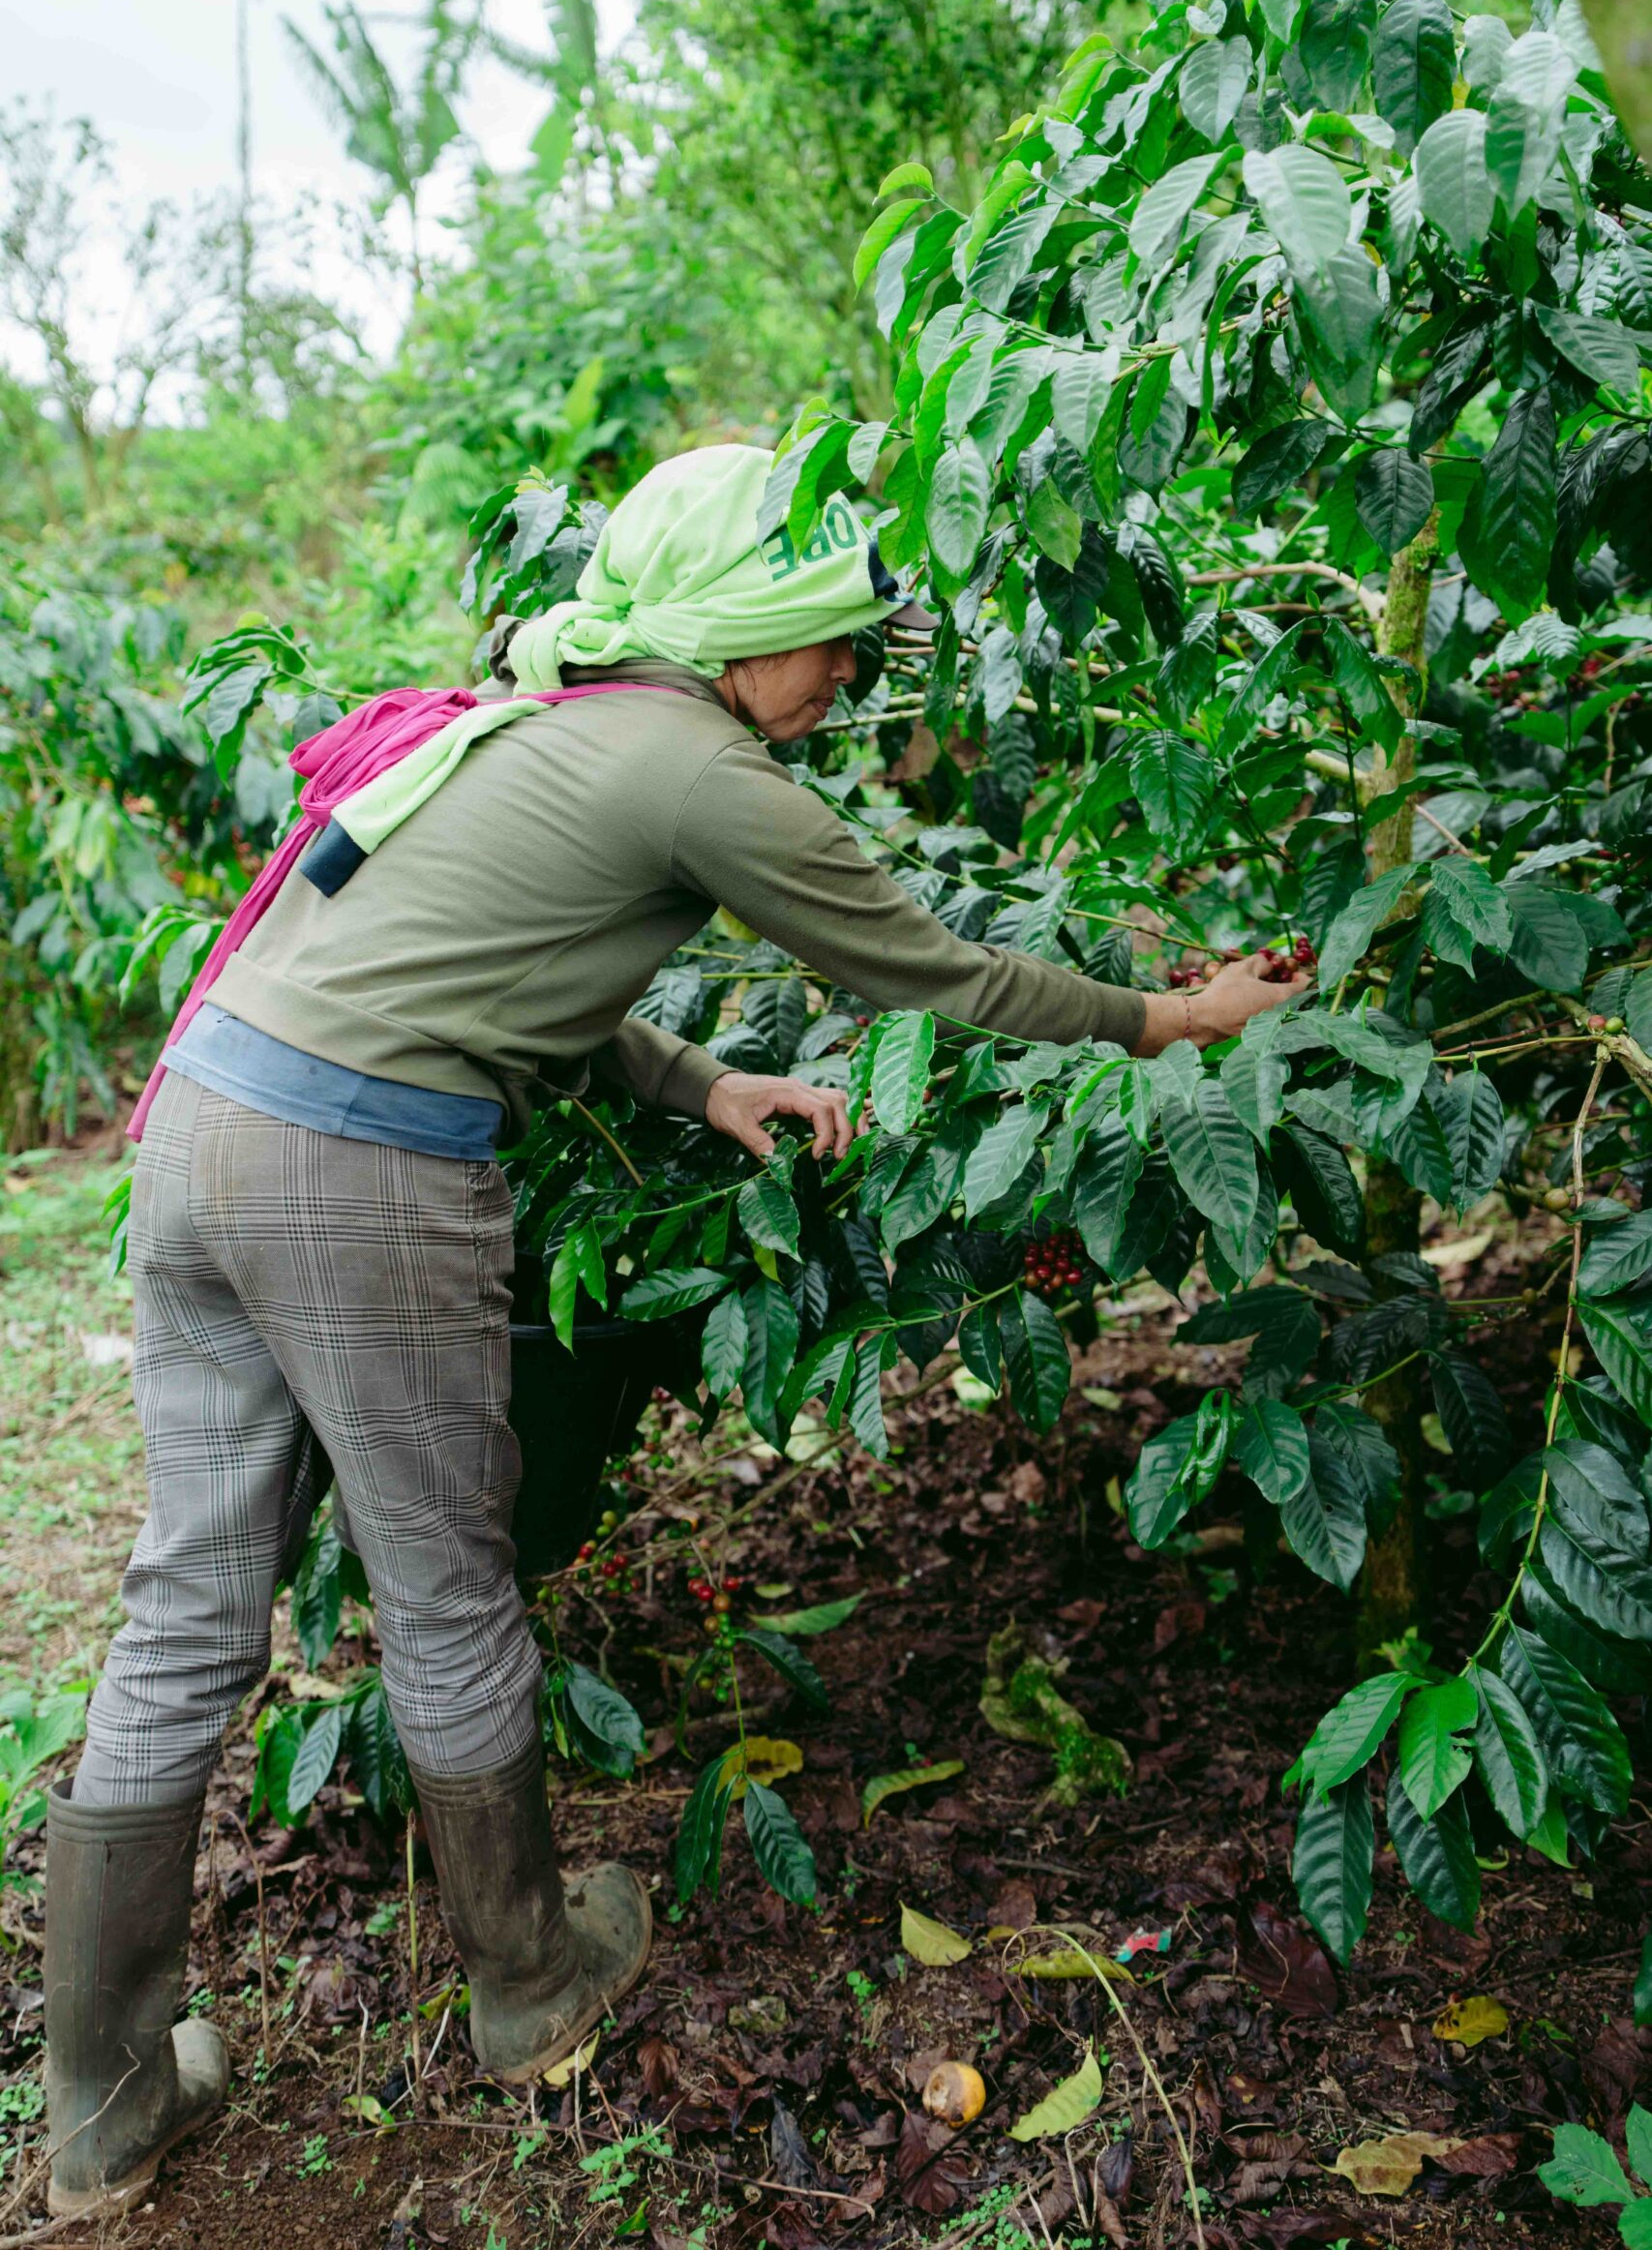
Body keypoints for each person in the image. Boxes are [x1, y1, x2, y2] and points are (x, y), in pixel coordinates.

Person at [43, 444, 1307, 2215]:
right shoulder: (700, 767)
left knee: (186, 1606)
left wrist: (702, 1083)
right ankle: (530, 1990)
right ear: (738, 632)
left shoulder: (539, 724)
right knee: (445, 1587)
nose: (849, 673)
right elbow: (932, 968)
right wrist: (1173, 1017)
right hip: (353, 1173)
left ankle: (100, 2104)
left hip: (200, 1132)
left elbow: (479, 966)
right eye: (832, 639)